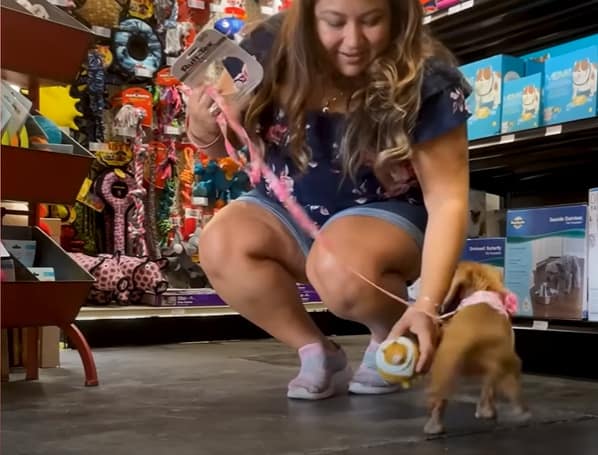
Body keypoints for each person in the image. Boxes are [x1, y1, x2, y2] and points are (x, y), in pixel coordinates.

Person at [187, 0, 471, 400]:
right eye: (334, 23)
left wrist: (427, 303)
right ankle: (316, 351)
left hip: (384, 218)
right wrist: (202, 124)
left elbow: (448, 200)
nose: (353, 41)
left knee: (338, 265)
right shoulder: (264, 48)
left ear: (397, 17)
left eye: (372, 21)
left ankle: (393, 331)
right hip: (289, 208)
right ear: (305, 17)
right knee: (219, 244)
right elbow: (222, 148)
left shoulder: (427, 79)